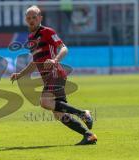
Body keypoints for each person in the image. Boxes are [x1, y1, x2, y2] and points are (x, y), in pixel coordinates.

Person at [10, 5, 97, 145]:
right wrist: (20, 74)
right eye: (29, 18)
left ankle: (83, 113)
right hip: (48, 78)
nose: (31, 20)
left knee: (45, 102)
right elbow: (35, 61)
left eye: (34, 17)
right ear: (26, 19)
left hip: (55, 73)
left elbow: (64, 48)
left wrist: (55, 59)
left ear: (40, 18)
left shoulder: (47, 32)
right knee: (58, 114)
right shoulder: (31, 37)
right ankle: (88, 135)